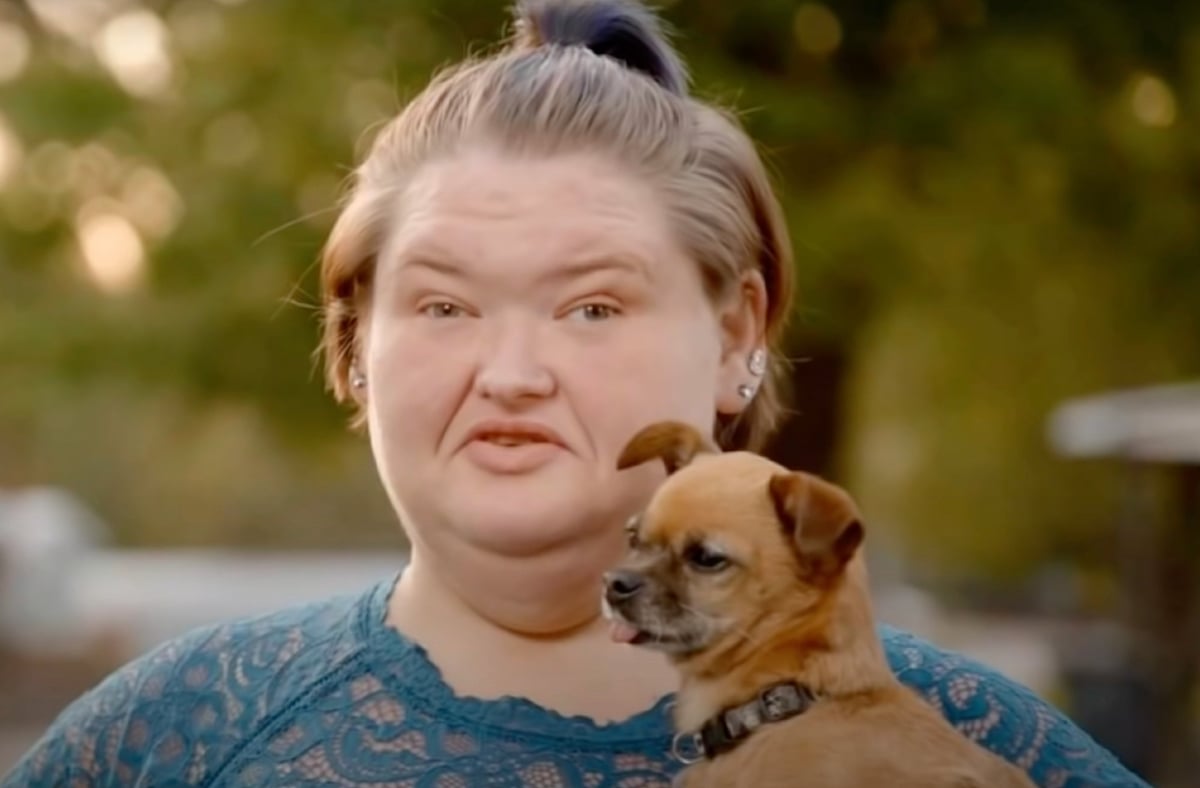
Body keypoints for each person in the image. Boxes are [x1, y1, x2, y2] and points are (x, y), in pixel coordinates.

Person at [3, 1, 1146, 786]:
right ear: (355, 347)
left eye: (592, 307)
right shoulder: (169, 735)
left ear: (738, 334)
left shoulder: (984, 747)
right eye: (445, 305)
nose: (511, 372)